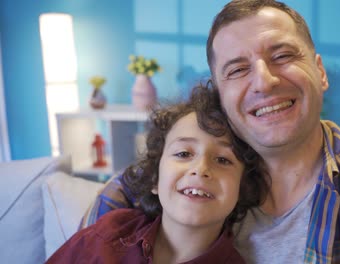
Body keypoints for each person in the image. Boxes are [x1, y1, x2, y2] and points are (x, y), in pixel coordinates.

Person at [81, 0, 340, 263]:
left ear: (320, 71)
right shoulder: (177, 180)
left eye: (282, 56)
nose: (264, 82)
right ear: (221, 94)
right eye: (237, 69)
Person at [47, 83, 269, 263]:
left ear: (242, 188)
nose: (201, 169)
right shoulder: (107, 235)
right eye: (183, 154)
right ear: (155, 178)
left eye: (223, 159)